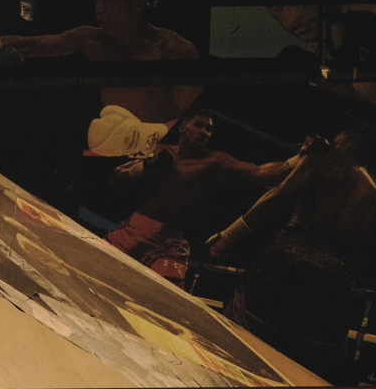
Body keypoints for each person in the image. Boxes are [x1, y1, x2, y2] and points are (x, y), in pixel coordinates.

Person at [208, 130, 376, 377]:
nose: (332, 146)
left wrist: (228, 235)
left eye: (336, 142)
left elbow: (279, 195)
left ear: (346, 145)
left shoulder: (324, 164)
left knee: (232, 334)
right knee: (297, 364)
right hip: (332, 288)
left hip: (286, 265)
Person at [0, 0, 203, 139]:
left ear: (137, 4)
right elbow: (35, 45)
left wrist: (148, 137)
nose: (98, 8)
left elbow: (194, 117)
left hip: (164, 150)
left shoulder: (174, 50)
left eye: (107, 0)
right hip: (109, 147)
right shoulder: (92, 40)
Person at [104, 106, 293, 279]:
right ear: (182, 127)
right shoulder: (159, 151)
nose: (204, 132)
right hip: (132, 230)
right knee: (96, 270)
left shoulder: (214, 162)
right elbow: (116, 181)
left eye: (209, 129)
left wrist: (300, 157)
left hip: (168, 245)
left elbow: (259, 173)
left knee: (163, 298)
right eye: (199, 125)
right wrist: (146, 165)